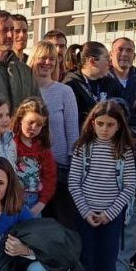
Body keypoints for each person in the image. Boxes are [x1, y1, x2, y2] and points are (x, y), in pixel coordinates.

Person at [68, 101, 136, 271]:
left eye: (110, 124)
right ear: (92, 123)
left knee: (109, 261)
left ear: (118, 126)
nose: (105, 129)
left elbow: (128, 186)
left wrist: (109, 213)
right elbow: (74, 183)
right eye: (100, 124)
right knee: (85, 259)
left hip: (111, 216)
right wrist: (86, 212)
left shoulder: (124, 151)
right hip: (85, 214)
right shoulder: (82, 148)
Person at [28, 41, 79, 238]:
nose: (47, 62)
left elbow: (72, 131)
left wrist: (71, 162)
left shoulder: (64, 92)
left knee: (62, 223)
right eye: (42, 57)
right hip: (30, 167)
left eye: (52, 59)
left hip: (59, 167)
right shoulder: (26, 90)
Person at [12, 98, 56, 217]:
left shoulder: (43, 149)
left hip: (34, 202)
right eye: (30, 122)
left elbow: (50, 177)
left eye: (39, 124)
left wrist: (41, 203)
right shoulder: (10, 144)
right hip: (10, 200)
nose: (33, 127)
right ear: (20, 119)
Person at [62, 41, 124, 127]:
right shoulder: (70, 86)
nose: (110, 63)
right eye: (106, 58)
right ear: (92, 61)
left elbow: (122, 113)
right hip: (81, 137)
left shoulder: (111, 83)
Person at [109, 38, 136, 119]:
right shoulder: (100, 82)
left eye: (129, 50)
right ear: (111, 55)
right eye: (120, 49)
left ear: (134, 56)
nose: (124, 54)